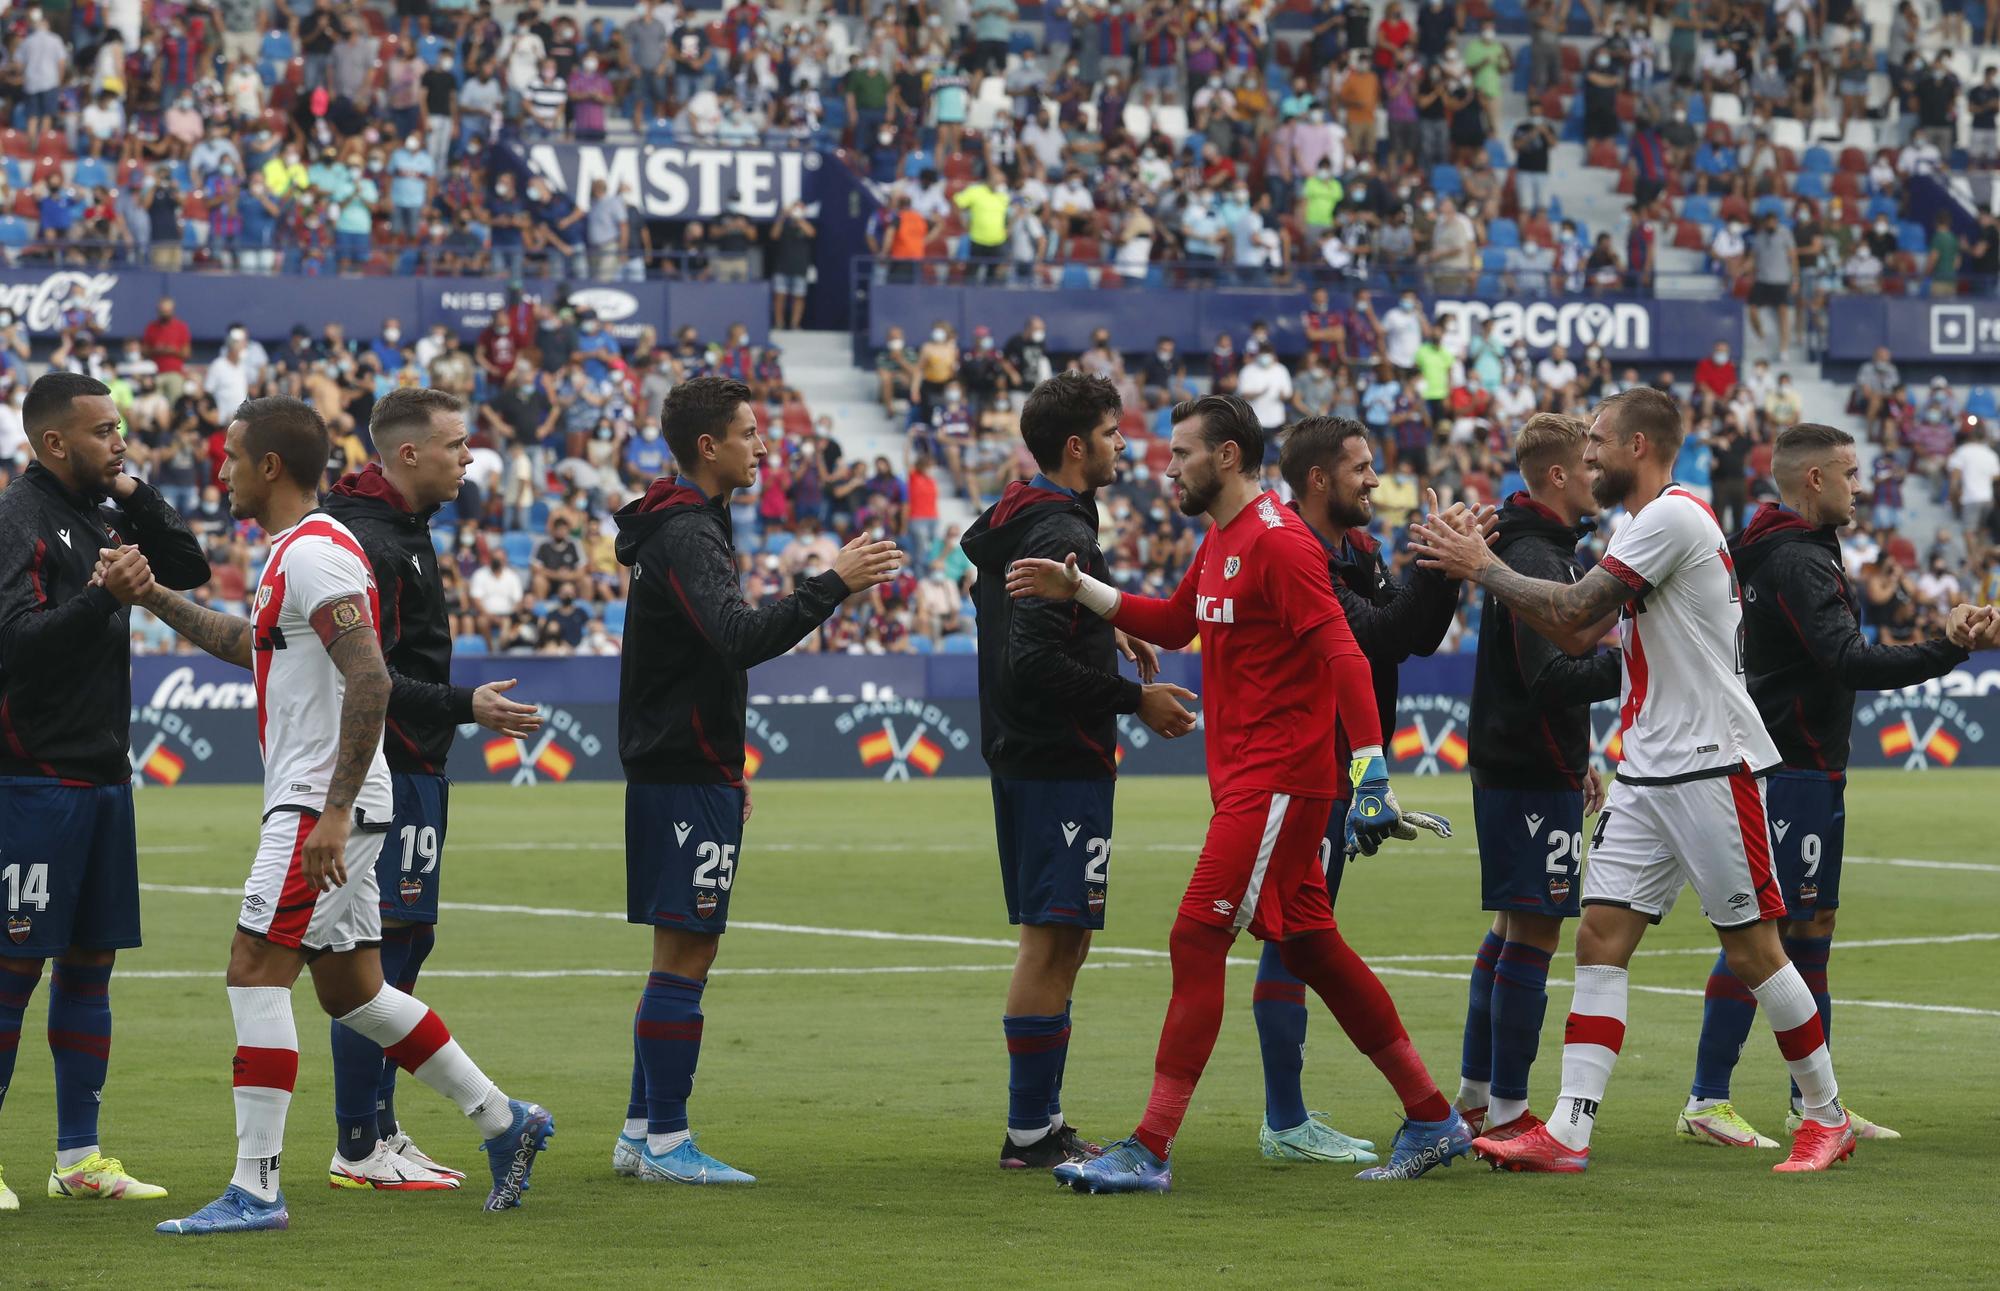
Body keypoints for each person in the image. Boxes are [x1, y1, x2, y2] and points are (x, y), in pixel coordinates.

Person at [1007, 395, 1472, 1194]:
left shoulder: (1280, 544)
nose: (1167, 464)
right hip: (1254, 785)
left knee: (1195, 939)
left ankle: (1150, 1146)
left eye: (1181, 451)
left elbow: (1347, 659)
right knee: (1314, 947)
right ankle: (1432, 1114)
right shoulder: (1223, 536)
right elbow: (1177, 622)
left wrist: (1371, 775)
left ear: (1226, 457)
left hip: (1281, 783)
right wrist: (1078, 587)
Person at [133, 397, 554, 1233]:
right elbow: (247, 643)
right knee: (356, 989)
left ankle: (255, 1190)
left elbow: (372, 679)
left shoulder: (319, 554)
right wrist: (152, 596)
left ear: (270, 467)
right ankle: (507, 1121)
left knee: (254, 966)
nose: (219, 471)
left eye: (230, 456)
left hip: (321, 804)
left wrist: (330, 811)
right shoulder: (297, 552)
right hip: (332, 798)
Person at [1410, 386, 1857, 1174]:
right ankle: (1570, 1131)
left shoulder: (1674, 517)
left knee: (1754, 950)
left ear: (1639, 447)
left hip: (1711, 762)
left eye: (1598, 439)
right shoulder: (1640, 524)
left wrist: (1484, 566)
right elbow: (1576, 625)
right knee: (1600, 938)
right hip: (1648, 768)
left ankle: (1825, 1116)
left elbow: (1579, 608)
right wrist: (1486, 572)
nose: (1587, 452)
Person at [609, 377, 901, 1185]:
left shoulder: (682, 520)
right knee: (688, 949)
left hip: (686, 762)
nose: (764, 446)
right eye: (748, 431)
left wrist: (726, 762)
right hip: (681, 768)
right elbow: (736, 636)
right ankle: (669, 1139)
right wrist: (831, 582)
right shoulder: (688, 531)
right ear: (710, 446)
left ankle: (641, 1132)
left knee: (679, 945)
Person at [1679, 424, 1997, 1150]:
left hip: (1812, 764)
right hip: (1789, 767)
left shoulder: (1792, 548)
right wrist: (1947, 648)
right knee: (1763, 932)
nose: (1863, 484)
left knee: (1810, 933)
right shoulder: (1795, 559)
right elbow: (1846, 659)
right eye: (1851, 473)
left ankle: (1809, 1099)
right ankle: (1707, 1096)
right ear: (1813, 480)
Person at [959, 372, 1196, 1171]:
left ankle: (1042, 1121)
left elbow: (1002, 593)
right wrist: (1137, 698)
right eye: (1111, 430)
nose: (1123, 443)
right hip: (1056, 756)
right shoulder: (1057, 529)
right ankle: (1030, 1131)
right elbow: (1031, 662)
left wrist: (1104, 625)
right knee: (1052, 939)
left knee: (1063, 938)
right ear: (1075, 445)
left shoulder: (1021, 514)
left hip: (1037, 754)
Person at [318, 389, 546, 1188]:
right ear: (408, 453)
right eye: (456, 444)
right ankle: (357, 1147)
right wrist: (465, 704)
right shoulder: (371, 541)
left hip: (418, 766)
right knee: (374, 961)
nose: (469, 457)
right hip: (389, 770)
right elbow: (371, 676)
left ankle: (380, 1127)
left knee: (408, 946)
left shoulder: (404, 532)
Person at [0, 373, 208, 1212]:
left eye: (120, 427)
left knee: (91, 964)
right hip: (31, 776)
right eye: (102, 432)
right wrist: (100, 599)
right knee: (13, 966)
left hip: (102, 775)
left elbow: (188, 565)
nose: (119, 439)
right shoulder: (18, 518)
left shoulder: (106, 513)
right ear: (55, 443)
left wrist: (136, 491)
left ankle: (78, 1158)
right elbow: (13, 642)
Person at [1249, 414, 1464, 1166]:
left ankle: (1289, 1116)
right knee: (1292, 938)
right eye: (1362, 466)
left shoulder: (1358, 551)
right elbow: (1370, 637)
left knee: (1297, 935)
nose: (1376, 478)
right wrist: (1437, 566)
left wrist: (1440, 569)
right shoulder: (1296, 553)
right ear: (1318, 478)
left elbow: (1409, 636)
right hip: (1303, 771)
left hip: (1332, 772)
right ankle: (1284, 1119)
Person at [1454, 414, 1620, 1146]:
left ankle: (1476, 1095)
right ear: (1557, 475)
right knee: (1536, 931)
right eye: (1588, 464)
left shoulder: (1530, 548)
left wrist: (1574, 751)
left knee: (1510, 928)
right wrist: (1636, 663)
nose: (1598, 473)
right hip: (1524, 768)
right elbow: (1551, 674)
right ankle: (1510, 1112)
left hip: (1521, 758)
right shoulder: (1536, 555)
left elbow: (1533, 677)